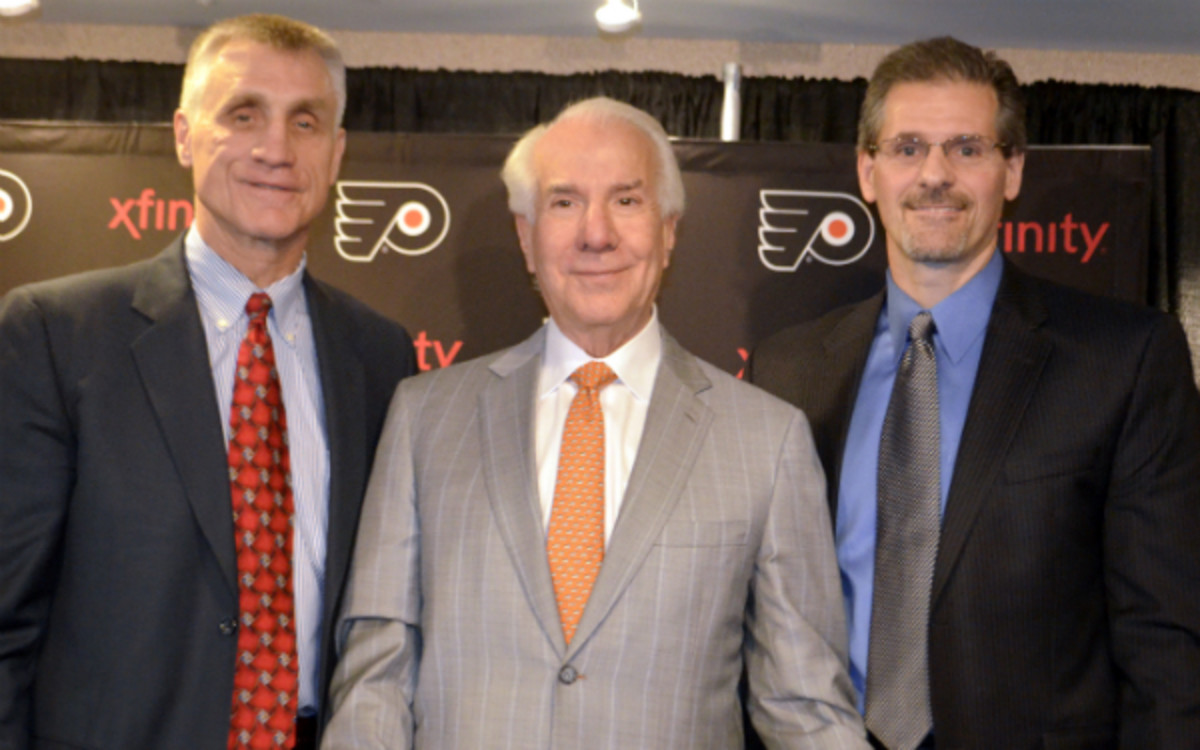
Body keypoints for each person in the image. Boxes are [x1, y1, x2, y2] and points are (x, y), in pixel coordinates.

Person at [320, 97, 868, 749]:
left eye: (627, 201)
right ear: (526, 237)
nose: (597, 233)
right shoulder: (423, 419)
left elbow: (804, 709)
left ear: (669, 230)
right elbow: (375, 683)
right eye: (564, 202)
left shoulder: (765, 440)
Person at [749, 36, 1200, 750]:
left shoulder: (1125, 360)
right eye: (907, 149)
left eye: (967, 148)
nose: (935, 174)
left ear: (1011, 169)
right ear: (867, 171)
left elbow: (1166, 642)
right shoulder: (787, 370)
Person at [0, 14, 415, 750]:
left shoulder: (381, 359)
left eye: (306, 121)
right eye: (243, 114)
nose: (276, 149)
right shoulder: (54, 334)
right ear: (185, 134)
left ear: (338, 150)